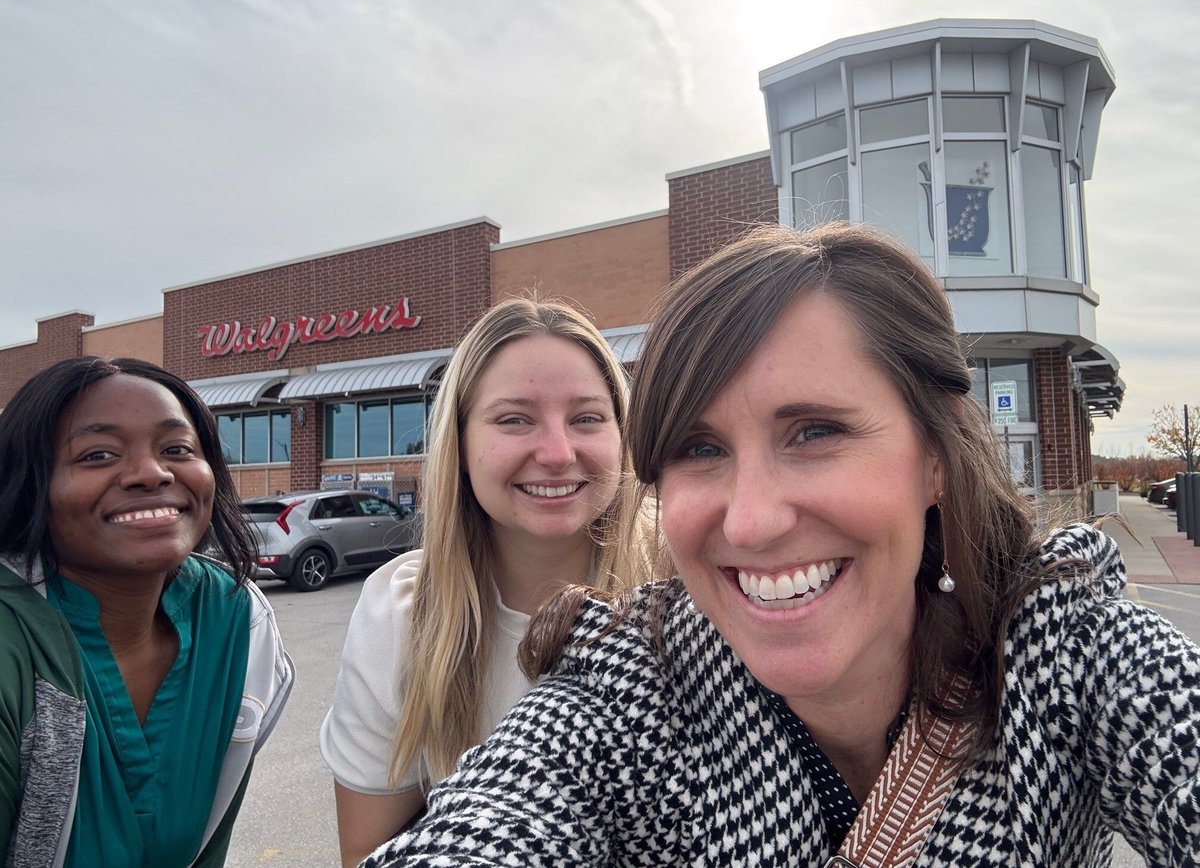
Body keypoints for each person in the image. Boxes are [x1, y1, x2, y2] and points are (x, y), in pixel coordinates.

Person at [364, 223, 1200, 867]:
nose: (753, 521)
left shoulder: (1070, 653)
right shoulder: (629, 688)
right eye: (699, 448)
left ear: (937, 457)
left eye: (814, 431)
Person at [320, 298, 650, 867]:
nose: (556, 452)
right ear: (462, 447)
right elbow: (367, 855)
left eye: (587, 418)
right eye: (514, 419)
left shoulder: (695, 580)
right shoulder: (399, 612)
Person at [0, 357, 293, 867]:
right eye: (97, 454)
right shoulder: (11, 644)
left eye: (177, 449)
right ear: (31, 486)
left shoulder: (234, 624)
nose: (151, 473)